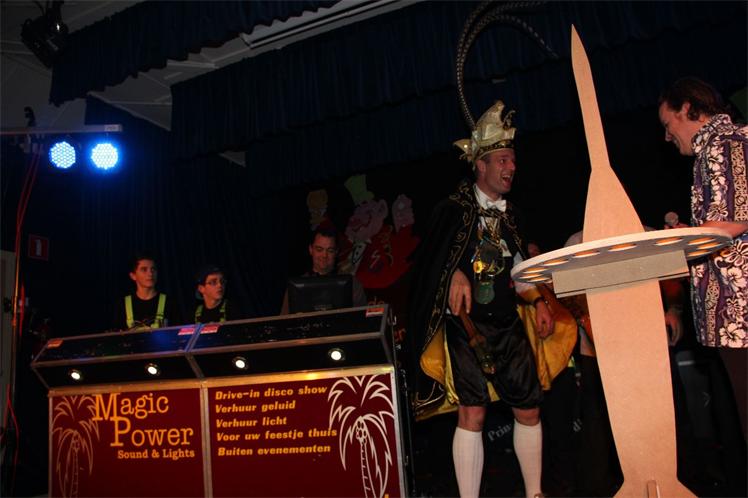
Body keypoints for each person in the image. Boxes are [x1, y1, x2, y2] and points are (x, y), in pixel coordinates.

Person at [409, 101, 553, 498]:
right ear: (481, 165)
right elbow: (430, 267)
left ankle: (535, 494)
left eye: (513, 160)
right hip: (466, 327)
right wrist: (453, 272)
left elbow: (521, 271)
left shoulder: (514, 216)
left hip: (508, 324)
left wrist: (539, 301)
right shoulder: (451, 211)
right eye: (503, 160)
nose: (512, 167)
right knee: (472, 412)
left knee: (529, 409)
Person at [658, 77, 748, 441]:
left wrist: (678, 243)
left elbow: (736, 217)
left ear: (686, 109)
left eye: (668, 124)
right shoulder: (715, 149)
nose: (667, 136)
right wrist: (692, 233)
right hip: (733, 317)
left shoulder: (725, 143)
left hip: (741, 312)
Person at [279, 225, 367, 314]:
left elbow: (362, 317)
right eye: (319, 249)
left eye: (330, 250)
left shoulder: (352, 284)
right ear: (310, 249)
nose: (324, 255)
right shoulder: (295, 287)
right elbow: (284, 319)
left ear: (336, 252)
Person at [113, 254, 178, 330]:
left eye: (153, 269)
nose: (150, 273)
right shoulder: (122, 304)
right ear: (133, 276)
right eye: (144, 269)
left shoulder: (169, 302)